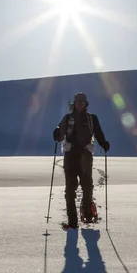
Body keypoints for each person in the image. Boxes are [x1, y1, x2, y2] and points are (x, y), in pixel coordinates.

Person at [53, 92, 110, 229]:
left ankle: (88, 215)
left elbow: (98, 133)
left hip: (85, 156)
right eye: (78, 102)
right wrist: (56, 133)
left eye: (82, 102)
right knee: (71, 189)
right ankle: (73, 222)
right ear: (75, 103)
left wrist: (104, 143)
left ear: (86, 104)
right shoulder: (67, 118)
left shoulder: (92, 119)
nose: (80, 105)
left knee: (86, 186)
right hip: (71, 156)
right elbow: (59, 134)